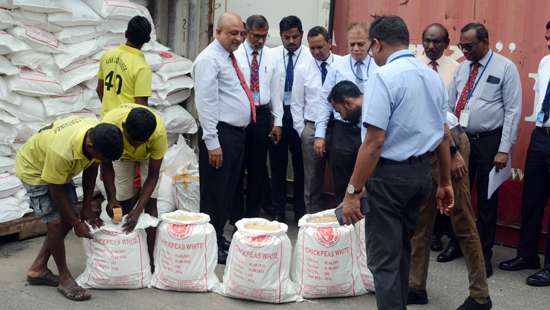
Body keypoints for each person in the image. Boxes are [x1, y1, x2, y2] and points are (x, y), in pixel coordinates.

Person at [336, 16, 454, 310]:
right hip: (420, 177)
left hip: (389, 179)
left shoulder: (384, 76)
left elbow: (374, 142)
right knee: (400, 251)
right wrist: (445, 182)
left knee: (384, 261)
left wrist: (352, 192)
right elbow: (442, 134)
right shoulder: (431, 76)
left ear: (376, 44)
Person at [409, 23, 492, 310]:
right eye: (426, 41)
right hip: (427, 147)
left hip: (450, 143)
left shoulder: (455, 69)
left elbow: (446, 114)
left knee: (462, 218)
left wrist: (455, 152)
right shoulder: (413, 67)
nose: (431, 46)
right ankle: (415, 286)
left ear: (446, 44)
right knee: (422, 220)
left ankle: (480, 295)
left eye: (437, 41)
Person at [16, 116, 123, 301]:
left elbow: (92, 168)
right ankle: (64, 278)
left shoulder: (96, 134)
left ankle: (38, 269)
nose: (102, 161)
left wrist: (87, 207)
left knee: (67, 218)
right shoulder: (61, 151)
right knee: (56, 223)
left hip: (57, 171)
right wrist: (75, 223)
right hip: (35, 171)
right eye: (102, 158)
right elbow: (55, 188)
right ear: (91, 147)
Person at [449, 22, 522, 277]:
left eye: (469, 46)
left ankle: (484, 254)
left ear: (485, 42)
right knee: (459, 195)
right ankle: (456, 245)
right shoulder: (461, 69)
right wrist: (451, 141)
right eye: (461, 46)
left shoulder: (505, 68)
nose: (464, 51)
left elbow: (513, 110)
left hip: (490, 141)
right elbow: (450, 105)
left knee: (487, 201)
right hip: (462, 140)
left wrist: (504, 150)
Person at [192, 12, 251, 264]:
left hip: (235, 135)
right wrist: (212, 142)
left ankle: (217, 236)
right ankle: (210, 244)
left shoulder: (228, 58)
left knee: (227, 191)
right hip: (220, 136)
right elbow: (205, 103)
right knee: (215, 192)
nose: (238, 38)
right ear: (218, 32)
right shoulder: (209, 60)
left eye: (240, 33)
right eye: (232, 33)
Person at [498, 20, 550, 287]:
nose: (549, 42)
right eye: (547, 37)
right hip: (541, 137)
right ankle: (527, 255)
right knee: (531, 199)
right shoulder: (544, 63)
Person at [314, 23, 378, 204]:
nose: (356, 49)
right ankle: (343, 224)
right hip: (342, 132)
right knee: (341, 182)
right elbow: (325, 102)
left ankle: (364, 227)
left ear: (371, 43)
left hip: (368, 130)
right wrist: (320, 135)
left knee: (368, 181)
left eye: (361, 44)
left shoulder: (379, 66)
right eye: (352, 45)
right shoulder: (338, 66)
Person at [101, 103, 168, 269]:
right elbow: (106, 164)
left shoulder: (158, 134)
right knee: (122, 203)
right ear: (123, 128)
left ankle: (151, 260)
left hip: (148, 156)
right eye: (133, 141)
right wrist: (111, 198)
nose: (136, 147)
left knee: (150, 204)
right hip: (120, 155)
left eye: (141, 143)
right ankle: (126, 255)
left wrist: (138, 210)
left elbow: (152, 176)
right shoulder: (110, 125)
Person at [233, 15, 282, 220]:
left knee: (257, 168)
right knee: (236, 166)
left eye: (264, 36)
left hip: (261, 116)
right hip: (239, 113)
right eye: (256, 36)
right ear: (246, 32)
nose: (260, 41)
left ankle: (252, 216)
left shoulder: (271, 56)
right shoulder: (235, 53)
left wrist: (277, 121)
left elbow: (276, 91)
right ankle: (235, 216)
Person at [290, 26, 341, 214]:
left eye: (320, 47)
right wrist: (301, 131)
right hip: (311, 128)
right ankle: (313, 223)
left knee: (341, 177)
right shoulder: (303, 69)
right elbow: (296, 103)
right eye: (312, 48)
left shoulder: (342, 65)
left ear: (329, 43)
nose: (316, 52)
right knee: (312, 181)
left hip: (337, 127)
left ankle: (342, 223)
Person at [270, 15, 311, 222]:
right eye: (287, 37)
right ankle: (277, 210)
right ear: (281, 36)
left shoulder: (310, 57)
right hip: (278, 115)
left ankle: (300, 210)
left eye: (295, 36)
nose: (291, 41)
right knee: (277, 164)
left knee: (300, 164)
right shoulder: (272, 55)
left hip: (300, 116)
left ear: (301, 35)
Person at [97, 15, 152, 117]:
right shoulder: (142, 67)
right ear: (147, 39)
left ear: (126, 33)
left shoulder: (107, 55)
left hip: (105, 123)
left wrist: (111, 113)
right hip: (126, 127)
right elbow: (141, 107)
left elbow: (100, 90)